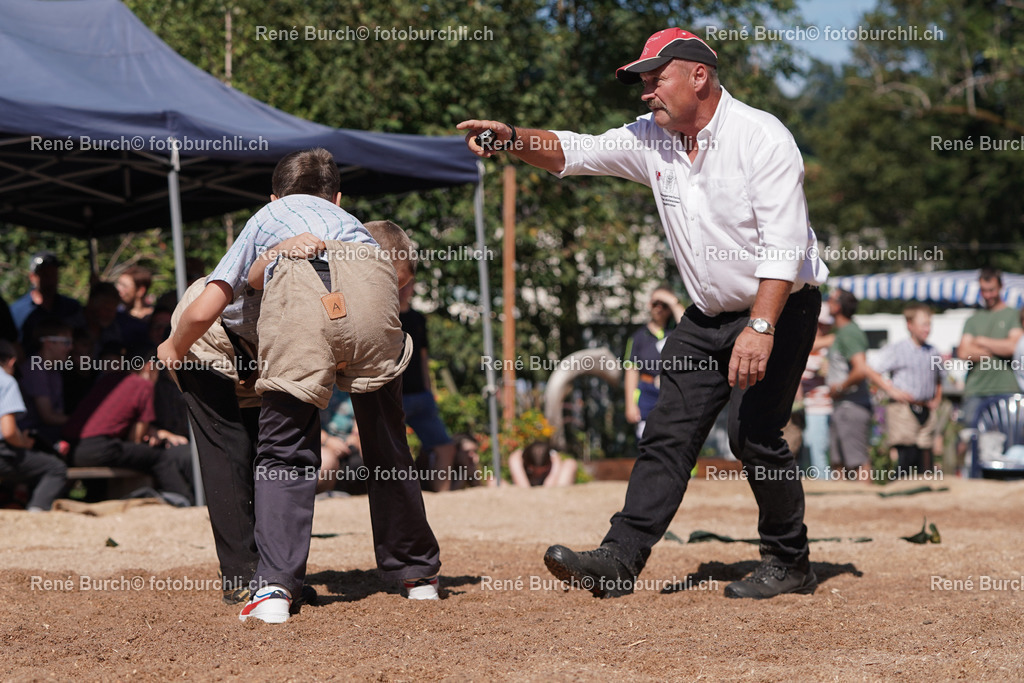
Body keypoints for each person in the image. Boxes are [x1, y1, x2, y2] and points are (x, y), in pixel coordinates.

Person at [460, 27, 827, 599]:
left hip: (777, 306)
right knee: (665, 434)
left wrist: (760, 327)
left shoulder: (763, 138)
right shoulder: (652, 138)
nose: (645, 91)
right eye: (643, 82)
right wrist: (510, 138)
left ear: (698, 76)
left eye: (656, 78)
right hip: (705, 316)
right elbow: (575, 151)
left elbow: (784, 244)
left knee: (753, 434)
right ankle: (619, 558)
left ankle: (790, 561)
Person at [160, 150, 441, 623]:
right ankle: (418, 575)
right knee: (388, 443)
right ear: (337, 198)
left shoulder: (267, 217)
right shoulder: (354, 227)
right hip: (350, 300)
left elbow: (207, 305)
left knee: (279, 451)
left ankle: (271, 587)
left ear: (274, 198)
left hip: (260, 329)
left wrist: (170, 348)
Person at [63, 352, 194, 504]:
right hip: (99, 449)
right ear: (150, 367)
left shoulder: (111, 379)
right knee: (160, 457)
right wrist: (156, 434)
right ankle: (185, 502)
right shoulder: (144, 385)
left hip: (71, 449)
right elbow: (136, 439)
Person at [865, 303, 943, 476]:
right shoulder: (898, 349)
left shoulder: (933, 352)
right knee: (907, 457)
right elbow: (870, 369)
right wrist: (891, 390)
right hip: (903, 409)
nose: (927, 329)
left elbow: (939, 378)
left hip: (925, 409)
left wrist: (937, 398)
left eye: (929, 324)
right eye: (923, 324)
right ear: (910, 325)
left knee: (925, 459)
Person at [398, 280, 458, 492]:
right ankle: (400, 496)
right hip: (396, 396)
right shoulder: (386, 318)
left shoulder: (418, 319)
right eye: (400, 285)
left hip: (421, 395)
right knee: (394, 449)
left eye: (408, 285)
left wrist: (429, 390)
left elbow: (423, 358)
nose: (404, 290)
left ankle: (443, 495)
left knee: (445, 446)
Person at [0, 340, 68, 511]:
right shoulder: (6, 381)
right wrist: (23, 443)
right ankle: (34, 516)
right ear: (11, 362)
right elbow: (8, 432)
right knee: (56, 468)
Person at [956, 269, 1023, 426]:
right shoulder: (973, 319)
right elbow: (963, 352)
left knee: (1008, 436)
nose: (987, 295)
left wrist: (981, 341)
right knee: (972, 435)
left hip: (1006, 389)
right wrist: (998, 348)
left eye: (991, 290)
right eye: (983, 290)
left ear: (1000, 287)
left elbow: (1013, 347)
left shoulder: (1013, 315)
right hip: (976, 390)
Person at [624, 286, 684, 439]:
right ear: (649, 304)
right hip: (647, 395)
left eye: (664, 305)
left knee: (675, 442)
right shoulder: (638, 337)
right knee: (647, 442)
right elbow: (631, 371)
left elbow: (689, 327)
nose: (659, 308)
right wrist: (630, 404)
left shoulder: (678, 331)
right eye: (655, 303)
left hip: (673, 394)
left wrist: (672, 301)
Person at [826, 289, 872, 480]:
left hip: (851, 407)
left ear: (837, 306)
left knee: (857, 464)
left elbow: (860, 369)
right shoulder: (842, 332)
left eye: (829, 299)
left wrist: (839, 388)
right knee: (839, 465)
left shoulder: (849, 332)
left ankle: (867, 499)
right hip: (843, 407)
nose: (826, 303)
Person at [9, 251, 82, 348]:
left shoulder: (71, 308)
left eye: (53, 274)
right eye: (44, 274)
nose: (50, 279)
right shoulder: (17, 311)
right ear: (32, 277)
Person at [799, 307, 834, 477]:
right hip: (802, 407)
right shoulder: (807, 345)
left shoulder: (828, 349)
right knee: (804, 451)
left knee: (817, 451)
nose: (821, 328)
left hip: (820, 408)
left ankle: (823, 484)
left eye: (824, 325)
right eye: (819, 324)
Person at [508, 441, 577, 487]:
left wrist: (555, 468)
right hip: (527, 493)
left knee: (570, 463)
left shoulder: (554, 460)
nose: (539, 473)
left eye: (543, 470)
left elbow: (549, 488)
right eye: (534, 470)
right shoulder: (518, 459)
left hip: (552, 494)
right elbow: (523, 488)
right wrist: (514, 460)